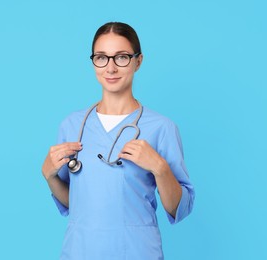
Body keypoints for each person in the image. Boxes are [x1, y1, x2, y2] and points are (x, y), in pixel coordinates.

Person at [42, 22, 195, 260]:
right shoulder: (72, 125)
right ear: (93, 62)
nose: (110, 68)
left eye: (121, 57)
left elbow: (179, 208)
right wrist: (50, 177)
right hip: (81, 251)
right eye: (101, 58)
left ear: (138, 61)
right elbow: (78, 204)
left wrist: (160, 168)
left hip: (136, 252)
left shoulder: (161, 128)